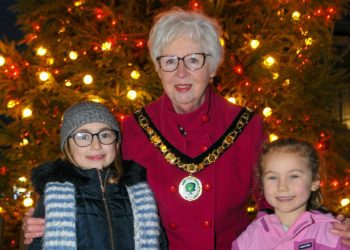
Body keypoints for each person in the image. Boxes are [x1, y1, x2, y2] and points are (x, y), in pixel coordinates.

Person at [23, 8, 350, 249]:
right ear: (158, 68)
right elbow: (99, 191)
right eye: (169, 61)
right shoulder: (133, 128)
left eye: (193, 60)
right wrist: (46, 219)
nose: (181, 73)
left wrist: (328, 225)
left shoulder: (247, 126)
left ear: (212, 66)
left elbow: (277, 197)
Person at [27, 101, 167, 250]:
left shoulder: (139, 193)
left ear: (116, 143)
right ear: (67, 145)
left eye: (105, 135)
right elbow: (35, 243)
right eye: (83, 136)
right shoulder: (53, 196)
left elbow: (160, 244)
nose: (96, 145)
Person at [231, 138, 350, 250]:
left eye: (294, 176)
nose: (282, 187)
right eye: (272, 177)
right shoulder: (251, 235)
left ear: (314, 182)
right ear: (262, 182)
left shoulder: (332, 234)